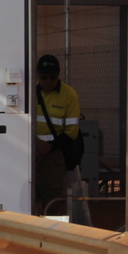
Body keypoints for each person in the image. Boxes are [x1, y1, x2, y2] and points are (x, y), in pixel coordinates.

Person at [33, 54, 81, 215]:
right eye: (43, 77)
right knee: (26, 197)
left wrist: (45, 148)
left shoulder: (69, 95)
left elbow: (71, 132)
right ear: (37, 75)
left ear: (59, 75)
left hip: (52, 155)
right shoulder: (28, 91)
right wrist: (35, 143)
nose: (48, 81)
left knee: (52, 200)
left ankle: (51, 234)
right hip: (28, 150)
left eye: (52, 77)